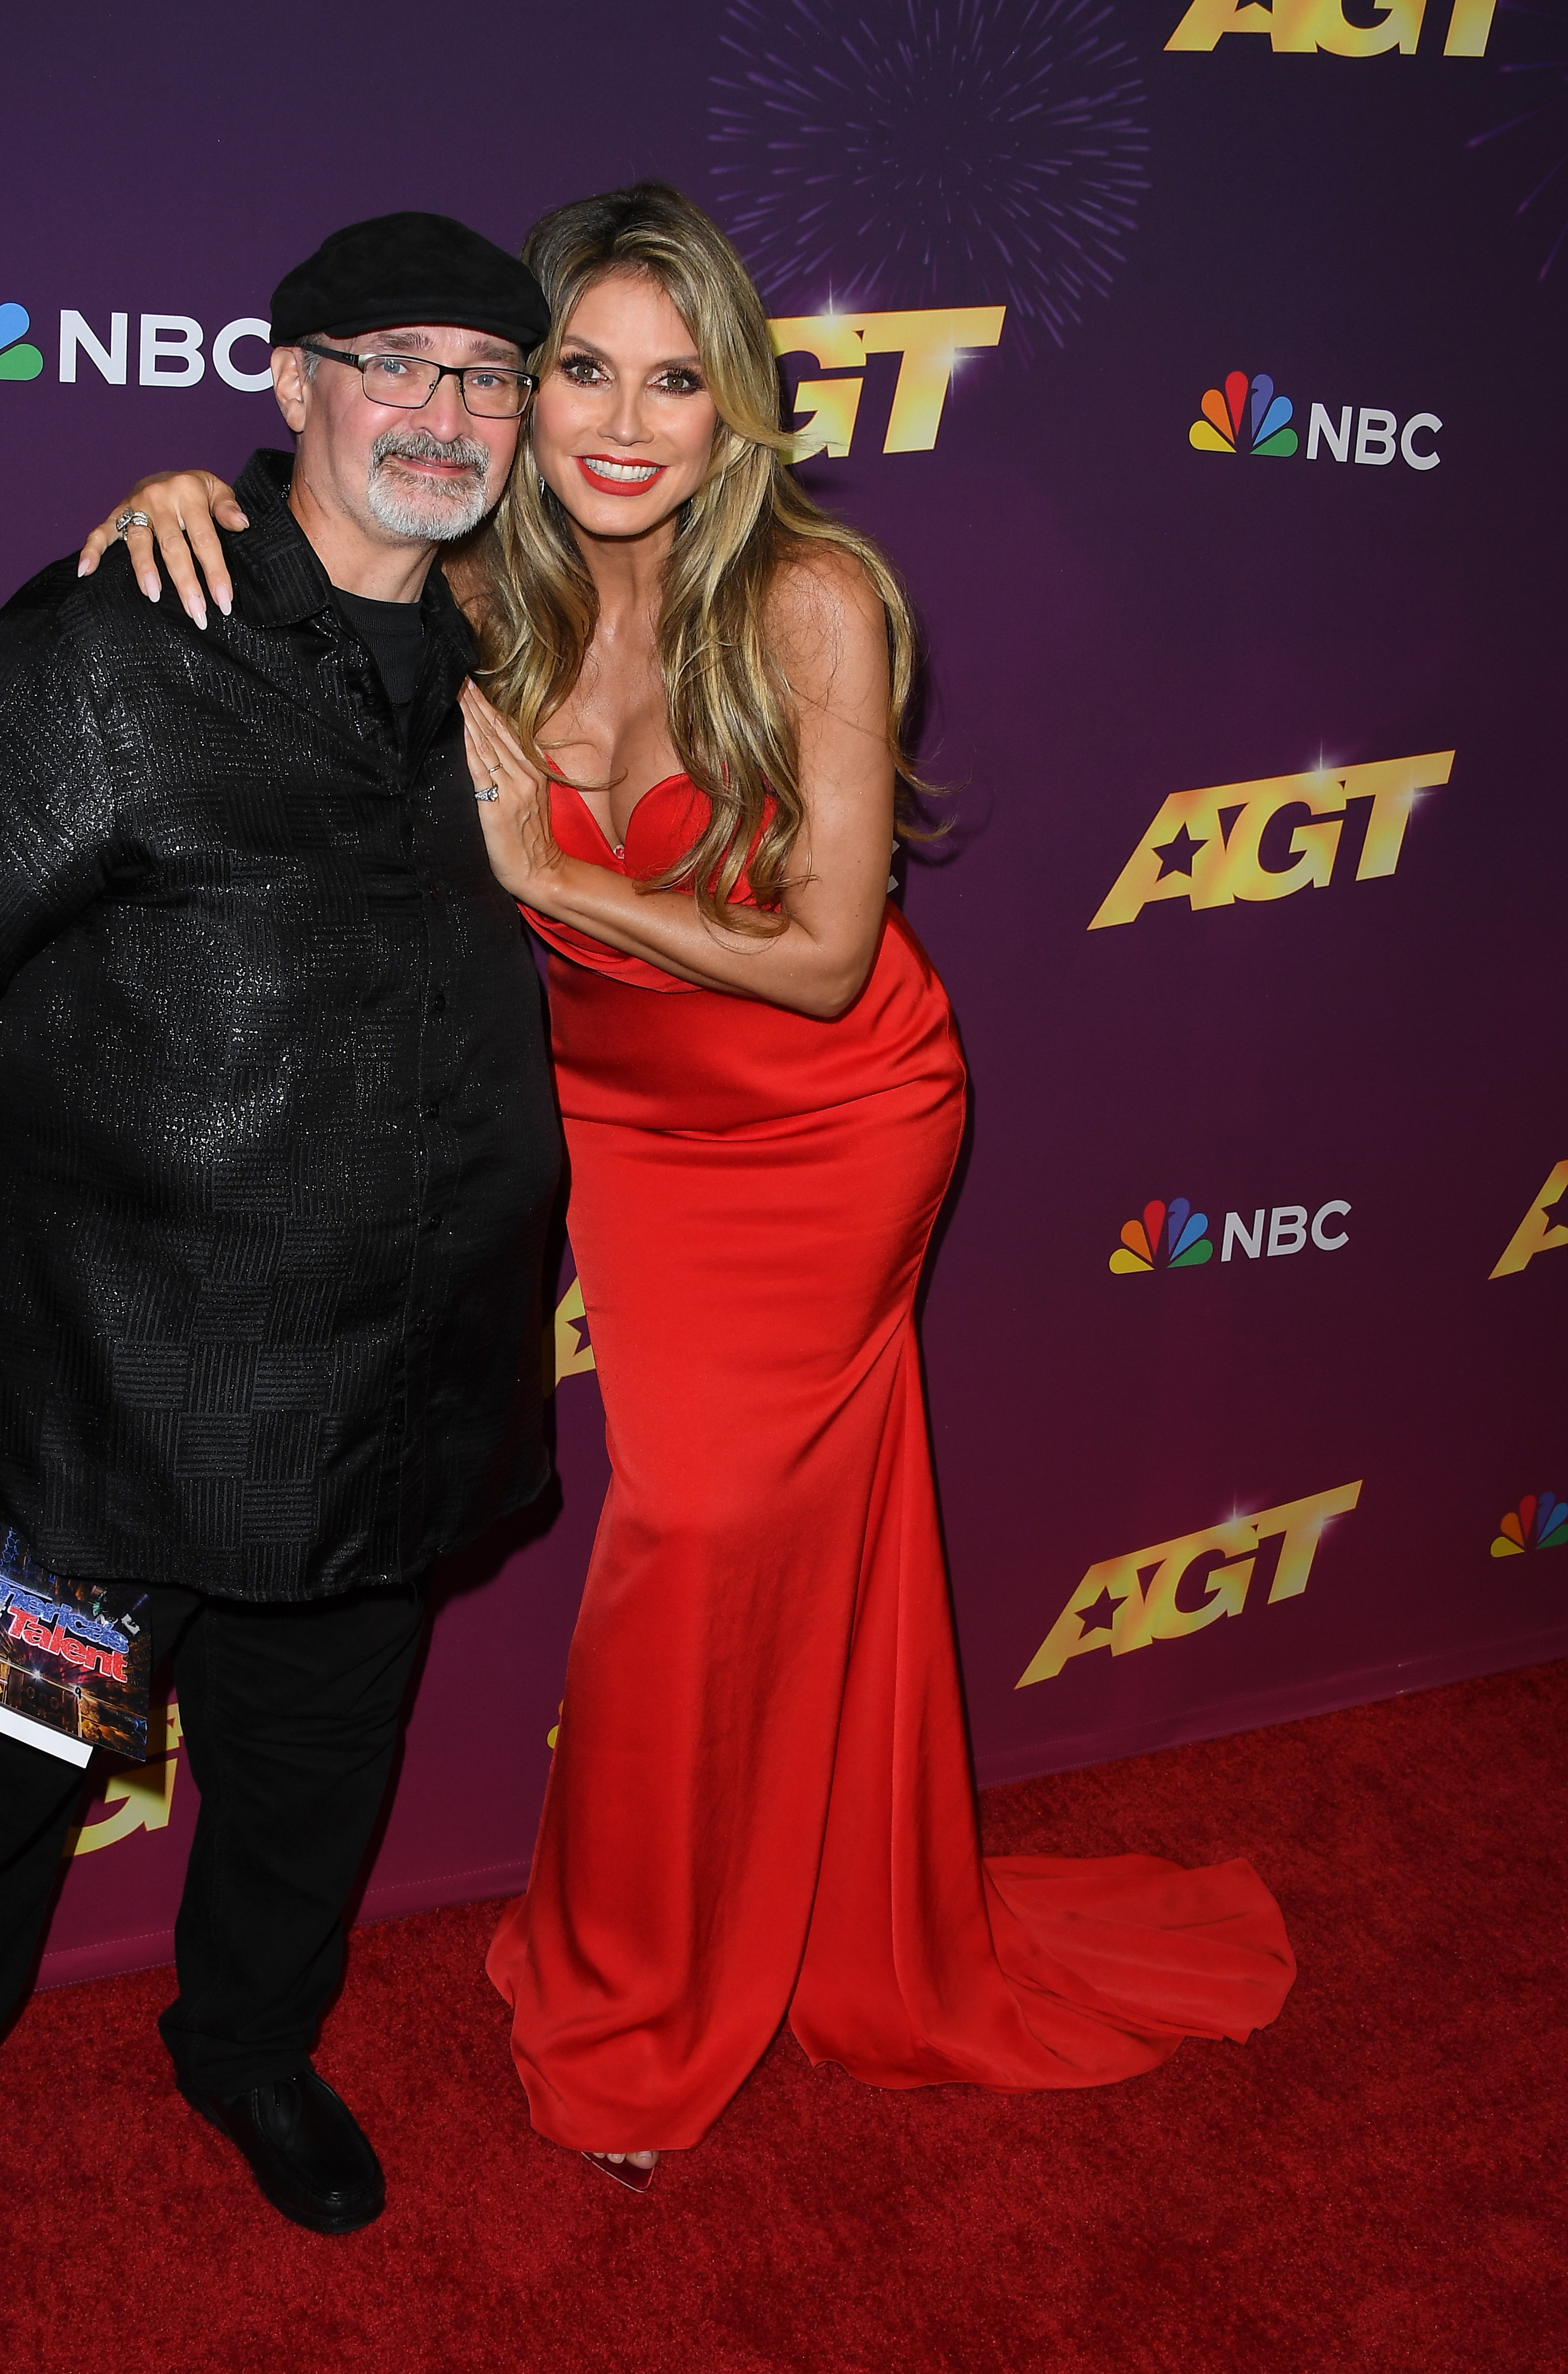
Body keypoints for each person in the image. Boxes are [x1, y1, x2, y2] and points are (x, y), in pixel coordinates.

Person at [86, 183, 1296, 2190]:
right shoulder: (484, 588)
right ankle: (790, 1902)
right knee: (762, 1544)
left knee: (693, 1530)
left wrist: (549, 873)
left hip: (830, 1120)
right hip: (623, 1136)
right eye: (581, 369)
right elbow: (303, 547)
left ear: (739, 411)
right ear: (526, 386)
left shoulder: (812, 599)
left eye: (678, 379)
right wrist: (175, 492)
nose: (625, 422)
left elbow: (824, 954)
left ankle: (630, 1994)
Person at [0, 211, 563, 2265]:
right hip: (85, 1404)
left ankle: (249, 2047)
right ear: (284, 384)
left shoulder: (489, 656)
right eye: (387, 361)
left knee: (316, 1781)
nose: (442, 407)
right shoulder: (115, 648)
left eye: (486, 374)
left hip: (382, 1396)